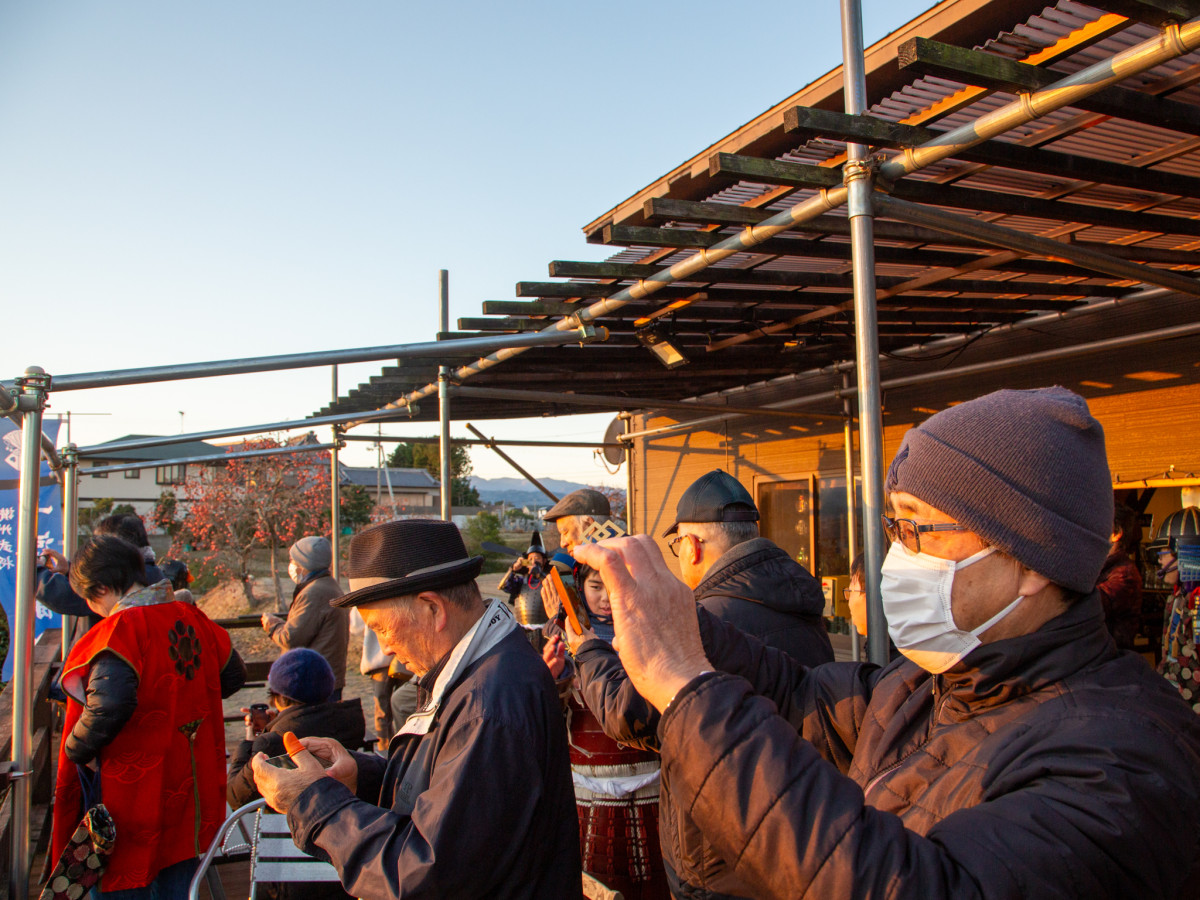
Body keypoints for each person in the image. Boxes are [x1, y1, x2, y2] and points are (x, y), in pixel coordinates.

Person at [576, 387, 1200, 899]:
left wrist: (685, 682)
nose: (896, 554)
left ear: (1030, 560)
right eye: (892, 525)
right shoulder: (936, 686)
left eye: (915, 527)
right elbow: (802, 697)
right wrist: (677, 617)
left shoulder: (1124, 763)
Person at [249, 519, 581, 899]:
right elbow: (449, 790)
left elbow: (424, 874)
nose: (385, 648)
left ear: (432, 609)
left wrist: (314, 801)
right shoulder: (483, 668)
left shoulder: (487, 706)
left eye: (381, 628)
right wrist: (361, 774)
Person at [567, 469, 833, 900]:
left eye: (677, 546)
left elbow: (629, 715)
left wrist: (588, 650)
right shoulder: (802, 603)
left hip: (723, 853)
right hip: (809, 833)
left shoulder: (704, 620)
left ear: (691, 546)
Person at [50, 535, 246, 897]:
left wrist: (75, 748)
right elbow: (233, 675)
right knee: (179, 878)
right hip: (187, 779)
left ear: (103, 588)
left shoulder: (120, 630)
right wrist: (183, 703)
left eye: (89, 598)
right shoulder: (191, 616)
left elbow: (108, 705)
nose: (93, 608)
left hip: (132, 788)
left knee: (123, 879)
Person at [542, 563, 670, 900]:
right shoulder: (561, 637)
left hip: (654, 787)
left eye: (613, 586)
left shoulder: (657, 633)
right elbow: (545, 724)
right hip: (586, 793)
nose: (605, 598)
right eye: (596, 587)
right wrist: (550, 679)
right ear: (580, 587)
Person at [262, 536, 349, 698]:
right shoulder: (329, 586)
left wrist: (272, 625)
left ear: (304, 564)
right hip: (325, 678)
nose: (291, 565)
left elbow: (291, 637)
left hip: (312, 683)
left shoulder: (313, 593)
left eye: (293, 561)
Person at [1096, 503, 1143, 651]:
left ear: (1116, 533)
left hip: (1109, 658)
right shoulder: (1103, 568)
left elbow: (1091, 604)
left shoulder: (1124, 574)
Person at [499, 530, 550, 626]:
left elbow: (554, 588)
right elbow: (504, 586)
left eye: (537, 558)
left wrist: (539, 574)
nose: (533, 561)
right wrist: (513, 570)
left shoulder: (550, 578)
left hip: (545, 626)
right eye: (530, 559)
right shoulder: (522, 581)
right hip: (523, 627)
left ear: (544, 561)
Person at [543, 488, 615, 555]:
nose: (562, 544)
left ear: (589, 525)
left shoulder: (610, 563)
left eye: (565, 533)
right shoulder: (618, 556)